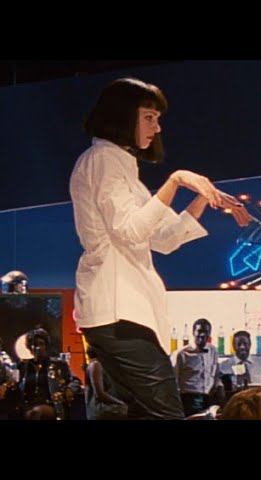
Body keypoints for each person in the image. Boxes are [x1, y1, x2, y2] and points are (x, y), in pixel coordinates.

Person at [70, 77, 250, 419]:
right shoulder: (103, 160)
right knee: (165, 412)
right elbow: (131, 230)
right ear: (123, 115)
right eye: (149, 117)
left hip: (122, 313)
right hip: (116, 310)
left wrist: (203, 197)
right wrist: (176, 179)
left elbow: (165, 239)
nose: (157, 127)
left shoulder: (120, 166)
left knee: (136, 412)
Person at [16, 328, 73, 420]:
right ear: (29, 347)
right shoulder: (23, 366)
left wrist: (70, 389)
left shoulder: (58, 364)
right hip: (28, 408)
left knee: (39, 413)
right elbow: (16, 386)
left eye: (41, 344)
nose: (38, 347)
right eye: (35, 345)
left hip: (51, 406)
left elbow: (74, 381)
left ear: (46, 346)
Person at [174, 318, 224, 416]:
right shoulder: (181, 354)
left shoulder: (213, 350)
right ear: (193, 332)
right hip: (189, 398)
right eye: (199, 331)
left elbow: (215, 373)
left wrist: (218, 387)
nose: (202, 335)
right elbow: (173, 380)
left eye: (206, 332)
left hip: (209, 397)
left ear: (209, 334)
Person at [84, 345, 128, 420]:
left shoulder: (96, 364)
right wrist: (121, 403)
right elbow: (99, 394)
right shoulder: (96, 364)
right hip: (102, 411)